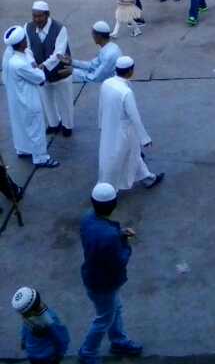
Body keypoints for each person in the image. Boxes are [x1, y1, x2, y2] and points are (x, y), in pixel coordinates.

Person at [78, 182, 144, 364]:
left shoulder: (88, 219)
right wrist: (125, 243)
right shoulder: (109, 236)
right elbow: (120, 260)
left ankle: (118, 340)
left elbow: (100, 240)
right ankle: (87, 352)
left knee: (114, 309)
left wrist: (119, 235)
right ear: (114, 205)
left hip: (92, 276)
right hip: (104, 283)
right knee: (103, 319)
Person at [98, 56, 164, 191]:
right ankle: (108, 191)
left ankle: (148, 178)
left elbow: (101, 106)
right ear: (130, 71)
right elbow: (134, 117)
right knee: (120, 159)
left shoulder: (107, 83)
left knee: (133, 155)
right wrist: (144, 138)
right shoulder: (126, 92)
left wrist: (101, 124)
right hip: (125, 132)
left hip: (109, 127)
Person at [2, 26, 58, 168]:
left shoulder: (12, 55)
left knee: (20, 126)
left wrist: (34, 66)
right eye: (25, 39)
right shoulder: (19, 63)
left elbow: (31, 60)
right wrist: (36, 68)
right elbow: (40, 77)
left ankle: (23, 149)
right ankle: (41, 158)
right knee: (36, 129)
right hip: (28, 100)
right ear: (21, 43)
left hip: (17, 100)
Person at [26, 1, 73, 137]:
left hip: (61, 72)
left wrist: (43, 65)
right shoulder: (28, 27)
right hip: (41, 73)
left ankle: (67, 125)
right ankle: (53, 124)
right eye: (34, 16)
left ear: (47, 15)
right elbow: (27, 48)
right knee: (47, 100)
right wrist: (32, 62)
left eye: (40, 16)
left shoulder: (60, 28)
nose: (36, 19)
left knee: (65, 101)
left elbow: (59, 53)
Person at [11, 286, 70, 364]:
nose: (23, 316)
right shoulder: (30, 318)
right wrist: (23, 340)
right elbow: (25, 328)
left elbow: (62, 339)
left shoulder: (49, 321)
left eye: (24, 314)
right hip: (38, 355)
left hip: (42, 356)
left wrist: (60, 355)